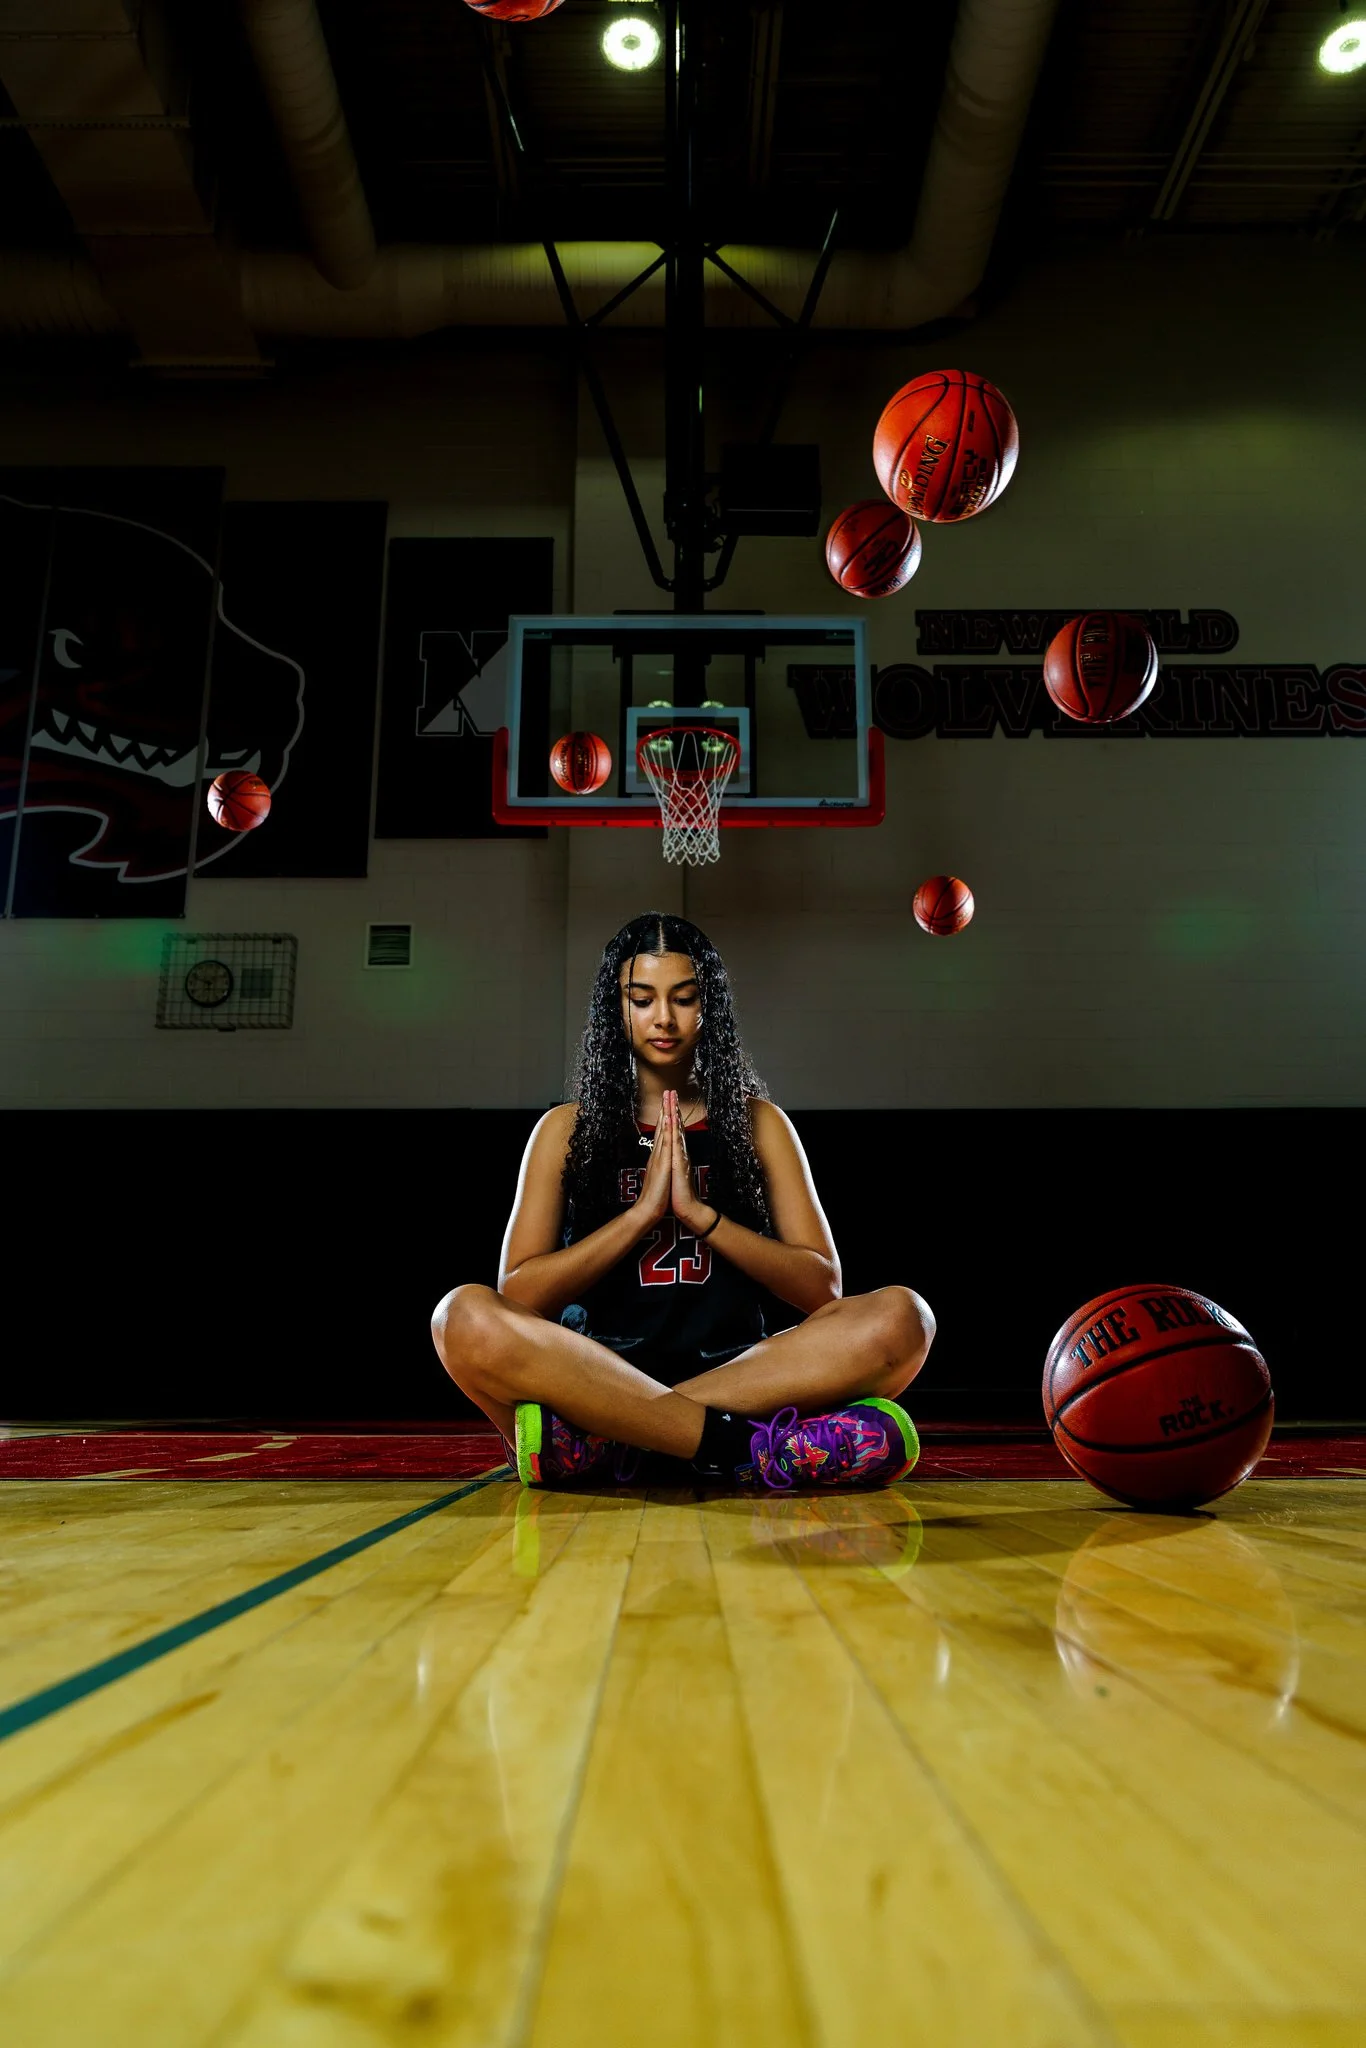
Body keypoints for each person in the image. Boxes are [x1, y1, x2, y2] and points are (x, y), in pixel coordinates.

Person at [431, 913, 934, 1491]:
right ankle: (746, 1447)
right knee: (461, 1317)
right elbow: (518, 1294)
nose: (663, 1018)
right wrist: (642, 1214)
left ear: (709, 1006)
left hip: (741, 1374)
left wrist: (703, 1216)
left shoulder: (758, 1124)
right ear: (615, 1010)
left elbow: (823, 1289)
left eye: (684, 998)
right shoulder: (565, 1129)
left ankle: (612, 1441)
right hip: (594, 1371)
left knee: (904, 1318)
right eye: (641, 999)